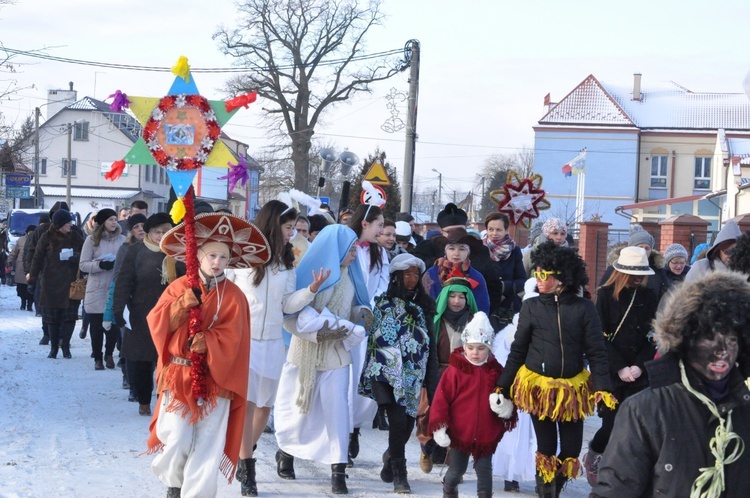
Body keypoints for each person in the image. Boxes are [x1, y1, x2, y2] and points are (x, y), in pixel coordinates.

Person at [591, 271, 750, 497]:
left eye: (732, 338)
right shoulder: (646, 410)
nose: (722, 350)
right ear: (686, 339)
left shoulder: (744, 411)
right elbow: (616, 489)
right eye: (709, 337)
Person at [146, 212, 269, 498]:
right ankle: (174, 483)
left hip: (218, 381)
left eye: (223, 258)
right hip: (180, 373)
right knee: (177, 437)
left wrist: (209, 341)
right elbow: (156, 323)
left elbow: (236, 338)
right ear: (199, 256)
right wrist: (178, 308)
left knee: (208, 445)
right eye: (212, 256)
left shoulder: (236, 296)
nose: (217, 262)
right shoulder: (178, 287)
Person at [226, 200, 328, 497]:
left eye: (294, 228)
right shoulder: (242, 256)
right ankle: (247, 468)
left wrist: (310, 291)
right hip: (243, 339)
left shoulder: (287, 261)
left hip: (272, 341)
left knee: (264, 406)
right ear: (274, 224)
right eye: (288, 227)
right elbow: (224, 290)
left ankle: (244, 449)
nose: (292, 233)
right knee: (246, 404)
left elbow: (286, 306)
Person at [497, 240, 614, 498]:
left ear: (561, 278)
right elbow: (518, 350)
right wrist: (502, 386)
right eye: (536, 273)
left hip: (572, 391)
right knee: (546, 447)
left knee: (571, 451)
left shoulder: (584, 309)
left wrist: (604, 390)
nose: (537, 279)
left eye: (543, 274)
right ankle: (547, 494)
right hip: (539, 388)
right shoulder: (532, 307)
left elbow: (597, 351)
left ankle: (556, 487)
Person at [274, 224, 371, 495]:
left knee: (338, 411)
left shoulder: (350, 275)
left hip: (337, 354)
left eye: (355, 249)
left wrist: (362, 313)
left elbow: (352, 308)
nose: (353, 255)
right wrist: (313, 292)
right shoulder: (306, 272)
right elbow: (289, 314)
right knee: (298, 411)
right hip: (303, 353)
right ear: (335, 249)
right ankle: (286, 452)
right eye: (350, 250)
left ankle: (338, 470)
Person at [359, 253, 438, 493]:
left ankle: (390, 460)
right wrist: (382, 383)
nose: (412, 279)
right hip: (390, 377)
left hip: (415, 377)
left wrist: (431, 381)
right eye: (407, 274)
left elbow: (430, 344)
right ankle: (399, 476)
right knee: (397, 422)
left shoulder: (425, 306)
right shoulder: (384, 304)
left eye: (416, 274)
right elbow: (378, 342)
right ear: (396, 277)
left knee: (407, 426)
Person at [584, 247, 657, 485]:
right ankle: (595, 453)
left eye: (641, 273)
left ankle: (620, 471)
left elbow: (653, 336)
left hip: (638, 370)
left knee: (635, 427)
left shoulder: (649, 296)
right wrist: (619, 368)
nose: (638, 278)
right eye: (633, 273)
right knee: (612, 424)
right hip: (612, 371)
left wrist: (640, 366)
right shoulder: (605, 295)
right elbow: (599, 336)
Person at [429, 312, 517, 498]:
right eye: (471, 348)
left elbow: (506, 394)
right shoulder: (455, 371)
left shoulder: (495, 371)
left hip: (486, 432)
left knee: (484, 469)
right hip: (461, 432)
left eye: (481, 348)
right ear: (464, 347)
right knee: (457, 471)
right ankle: (449, 488)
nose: (475, 353)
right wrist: (440, 426)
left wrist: (505, 406)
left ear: (489, 349)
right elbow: (441, 399)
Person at [112, 213, 184, 417]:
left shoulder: (179, 252)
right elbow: (123, 282)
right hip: (142, 313)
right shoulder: (136, 251)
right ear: (149, 233)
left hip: (173, 313)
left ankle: (166, 398)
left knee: (170, 359)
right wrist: (118, 309)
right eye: (157, 232)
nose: (162, 236)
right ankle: (143, 399)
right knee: (141, 360)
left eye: (166, 231)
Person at [416, 272, 478, 473]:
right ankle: (427, 449)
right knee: (428, 413)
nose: (457, 301)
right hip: (437, 372)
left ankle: (454, 465)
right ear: (445, 297)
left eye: (462, 296)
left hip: (463, 376)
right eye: (452, 296)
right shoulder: (434, 320)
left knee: (460, 419)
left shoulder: (474, 322)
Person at [346, 203, 389, 464]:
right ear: (365, 224)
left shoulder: (379, 253)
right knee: (347, 378)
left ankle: (355, 427)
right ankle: (342, 428)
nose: (382, 230)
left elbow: (382, 285)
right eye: (379, 225)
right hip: (347, 320)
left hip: (369, 323)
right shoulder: (347, 248)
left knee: (365, 378)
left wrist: (373, 309)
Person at [491, 277, 539, 493]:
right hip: (520, 390)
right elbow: (502, 358)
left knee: (542, 435)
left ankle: (544, 474)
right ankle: (512, 474)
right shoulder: (511, 333)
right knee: (515, 433)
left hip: (544, 388)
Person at [27, 209, 84, 359]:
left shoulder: (76, 236)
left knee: (69, 318)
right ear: (59, 224)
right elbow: (37, 258)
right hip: (51, 283)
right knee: (52, 319)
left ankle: (65, 346)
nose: (70, 225)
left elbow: (85, 255)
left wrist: (75, 257)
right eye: (67, 223)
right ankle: (54, 348)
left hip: (71, 284)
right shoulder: (47, 237)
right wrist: (32, 278)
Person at [80, 208, 126, 370]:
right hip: (97, 288)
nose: (114, 222)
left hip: (115, 287)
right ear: (102, 222)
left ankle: (109, 354)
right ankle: (97, 358)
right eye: (110, 219)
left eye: (115, 219)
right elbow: (83, 265)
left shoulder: (122, 240)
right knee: (96, 327)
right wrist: (100, 265)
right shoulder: (92, 240)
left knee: (113, 326)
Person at [421, 227, 491, 314]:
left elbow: (482, 310)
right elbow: (424, 306)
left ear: (468, 252)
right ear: (445, 251)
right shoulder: (431, 274)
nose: (456, 253)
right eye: (451, 248)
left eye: (462, 249)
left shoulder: (476, 277)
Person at [476, 212, 526, 330]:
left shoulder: (514, 251)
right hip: (484, 304)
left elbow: (522, 280)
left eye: (498, 230)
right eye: (491, 229)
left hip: (507, 308)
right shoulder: (479, 249)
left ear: (506, 230)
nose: (494, 233)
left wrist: (503, 286)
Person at [598, 226, 670, 304]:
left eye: (647, 248)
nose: (643, 251)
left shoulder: (658, 270)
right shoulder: (615, 269)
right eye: (640, 247)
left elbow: (665, 297)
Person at [10, 224, 36, 311]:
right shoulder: (20, 240)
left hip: (32, 267)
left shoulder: (37, 240)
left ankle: (29, 304)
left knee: (31, 288)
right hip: (21, 267)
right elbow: (14, 252)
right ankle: (23, 302)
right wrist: (10, 261)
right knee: (21, 288)